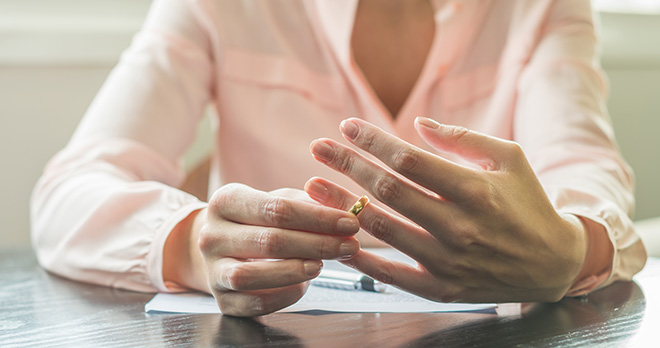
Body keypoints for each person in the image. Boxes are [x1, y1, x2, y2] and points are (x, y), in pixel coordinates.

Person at [30, 0, 647, 317]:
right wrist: (195, 245)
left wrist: (573, 250)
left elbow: (583, 168)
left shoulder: (538, 8)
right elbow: (70, 192)